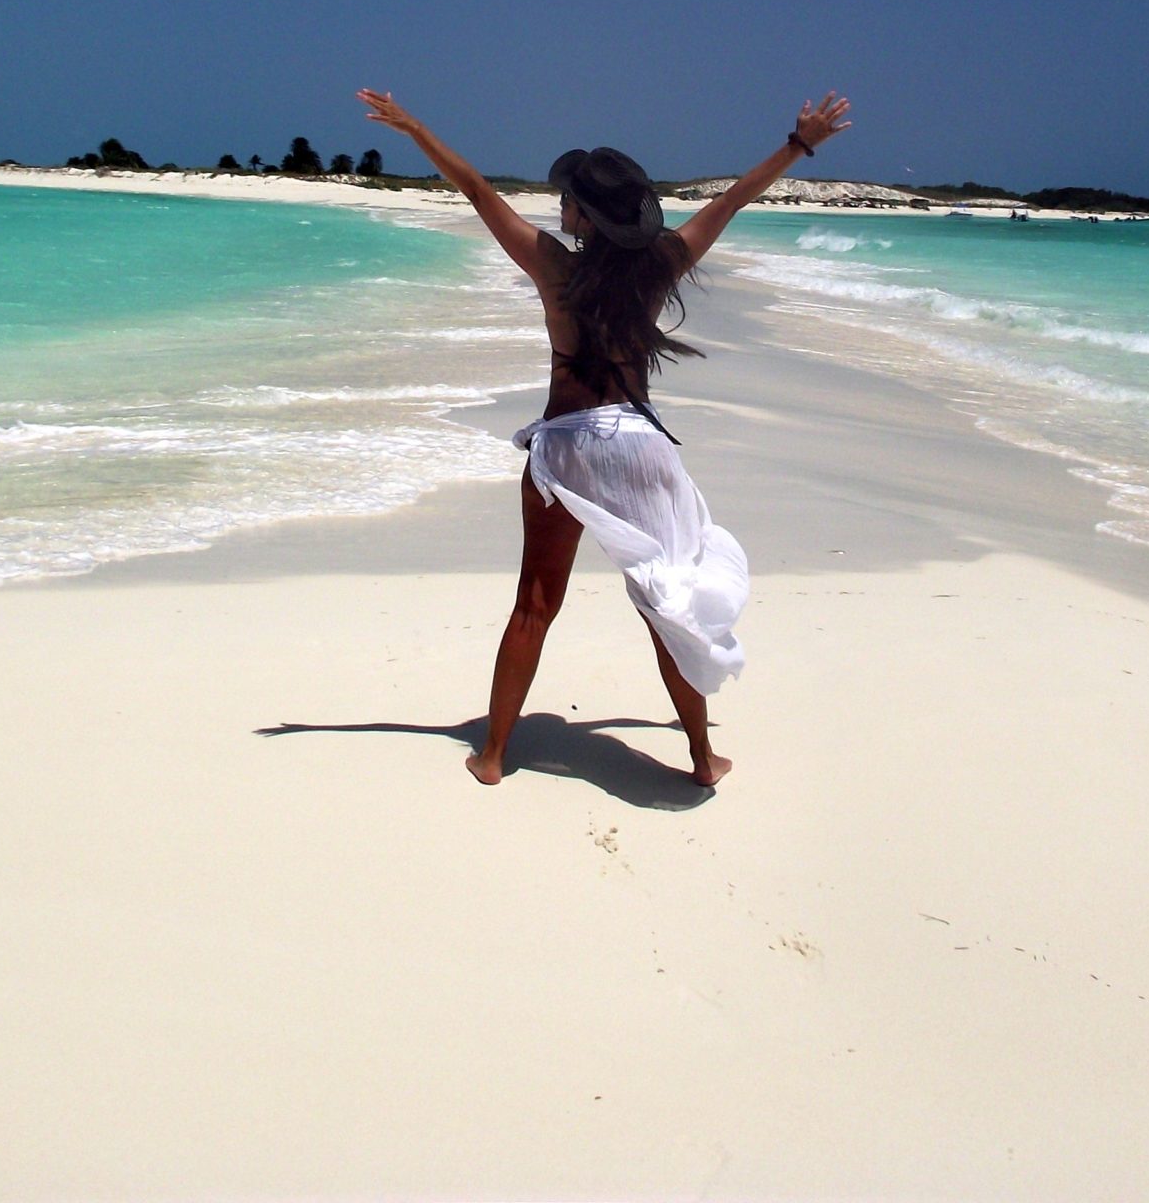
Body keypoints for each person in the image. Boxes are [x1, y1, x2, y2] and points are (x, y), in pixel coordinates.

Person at [355, 88, 854, 788]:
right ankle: (703, 759)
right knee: (665, 604)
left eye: (568, 198)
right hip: (637, 449)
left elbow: (473, 188)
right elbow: (734, 200)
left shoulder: (553, 266)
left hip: (565, 450)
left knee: (535, 601)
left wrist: (416, 130)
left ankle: (494, 756)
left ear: (585, 215)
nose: (559, 206)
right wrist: (800, 145)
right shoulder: (663, 263)